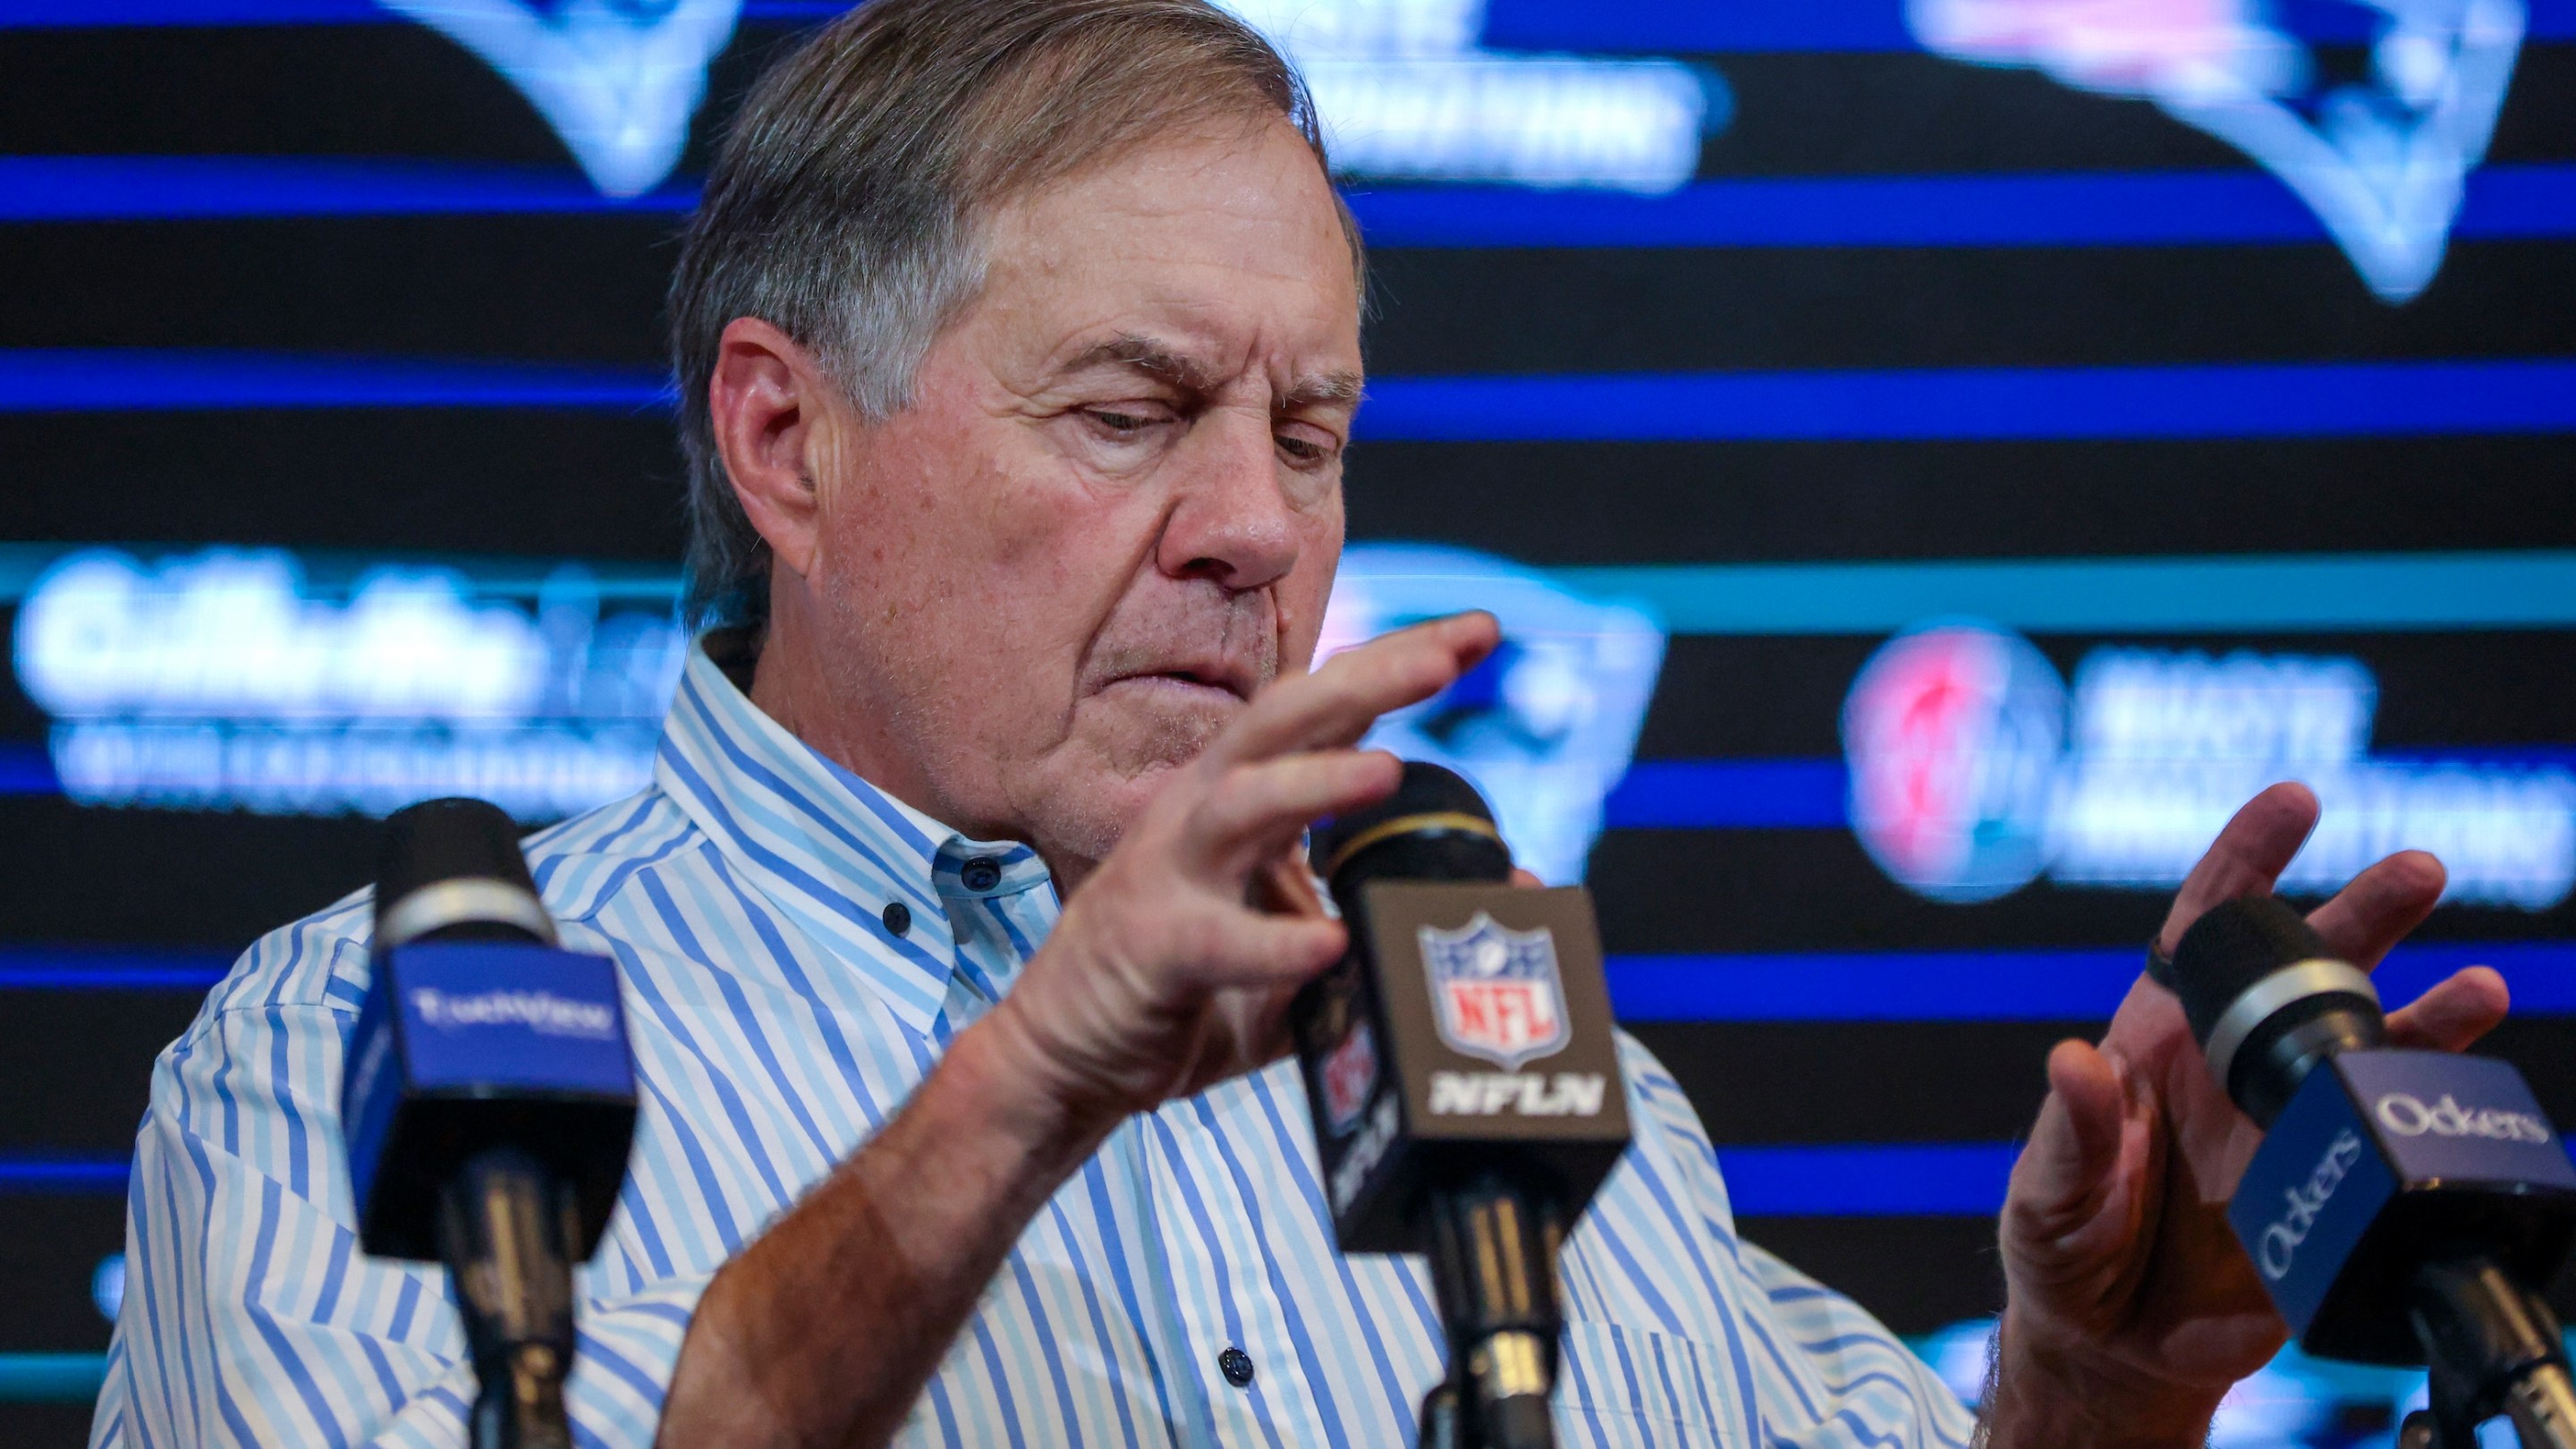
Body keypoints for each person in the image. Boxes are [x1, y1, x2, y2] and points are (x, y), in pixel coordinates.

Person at [91, 1, 2512, 1445]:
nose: (1261, 528)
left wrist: (2088, 1391)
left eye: (1314, 433)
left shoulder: (1507, 1060)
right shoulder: (362, 1050)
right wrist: (1029, 1078)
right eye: (1136, 411)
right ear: (786, 443)